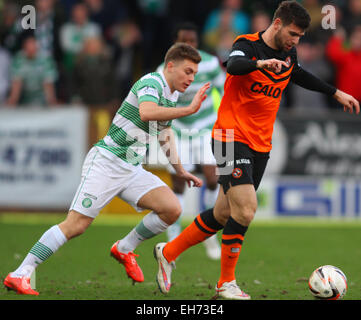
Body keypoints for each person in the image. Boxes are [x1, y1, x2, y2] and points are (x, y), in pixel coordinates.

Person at [153, 0, 360, 300]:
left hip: (260, 143)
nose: (295, 41)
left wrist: (335, 91)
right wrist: (261, 64)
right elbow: (233, 66)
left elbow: (298, 73)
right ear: (276, 24)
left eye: (299, 37)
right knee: (247, 209)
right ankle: (226, 283)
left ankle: (169, 252)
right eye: (292, 33)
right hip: (228, 136)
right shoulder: (246, 44)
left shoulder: (289, 52)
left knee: (224, 213)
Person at [3, 43, 210, 295]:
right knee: (76, 225)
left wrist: (180, 170)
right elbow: (146, 113)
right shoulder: (151, 83)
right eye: (188, 71)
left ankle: (124, 248)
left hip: (131, 168)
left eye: (194, 74)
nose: (191, 78)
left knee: (171, 209)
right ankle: (20, 273)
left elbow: (164, 132)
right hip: (107, 161)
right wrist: (189, 110)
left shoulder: (173, 94)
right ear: (170, 65)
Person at [156, 22, 225, 260]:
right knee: (178, 183)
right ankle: (173, 234)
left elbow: (223, 89)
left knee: (213, 177)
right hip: (179, 129)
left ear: (197, 43)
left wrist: (223, 114)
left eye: (192, 42)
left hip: (206, 126)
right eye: (184, 42)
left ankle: (208, 234)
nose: (189, 46)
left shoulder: (210, 63)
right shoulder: (165, 68)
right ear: (176, 43)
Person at [6, 35, 58, 107]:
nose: (31, 50)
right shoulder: (18, 59)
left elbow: (48, 84)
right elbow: (16, 83)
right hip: (24, 99)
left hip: (43, 100)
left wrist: (51, 101)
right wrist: (12, 101)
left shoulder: (46, 59)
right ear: (24, 48)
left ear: (37, 47)